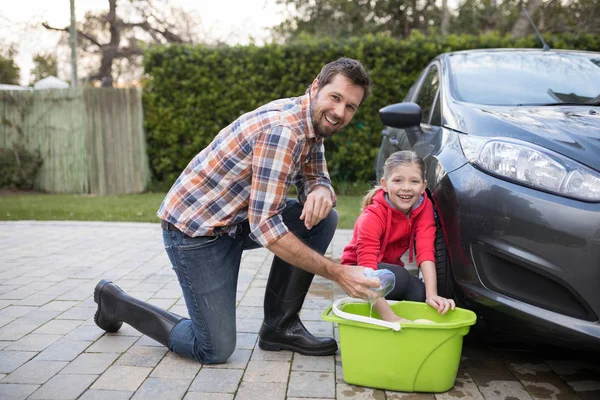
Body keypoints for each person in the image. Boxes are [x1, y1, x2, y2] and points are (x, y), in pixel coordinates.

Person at [93, 57, 382, 364]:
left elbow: (313, 175)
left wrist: (321, 188)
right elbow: (267, 228)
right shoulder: (283, 131)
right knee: (213, 349)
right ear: (315, 88)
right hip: (196, 234)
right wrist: (338, 273)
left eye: (350, 106)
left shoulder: (311, 121)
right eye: (335, 98)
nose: (340, 112)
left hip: (237, 221)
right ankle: (117, 303)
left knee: (323, 219)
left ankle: (279, 329)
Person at [341, 150, 456, 323]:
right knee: (402, 278)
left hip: (388, 273)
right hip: (358, 273)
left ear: (424, 186)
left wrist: (432, 295)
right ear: (384, 184)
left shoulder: (423, 207)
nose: (406, 187)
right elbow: (367, 272)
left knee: (419, 292)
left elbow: (426, 251)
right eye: (398, 180)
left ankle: (391, 313)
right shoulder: (372, 217)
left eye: (414, 181)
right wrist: (392, 318)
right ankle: (380, 311)